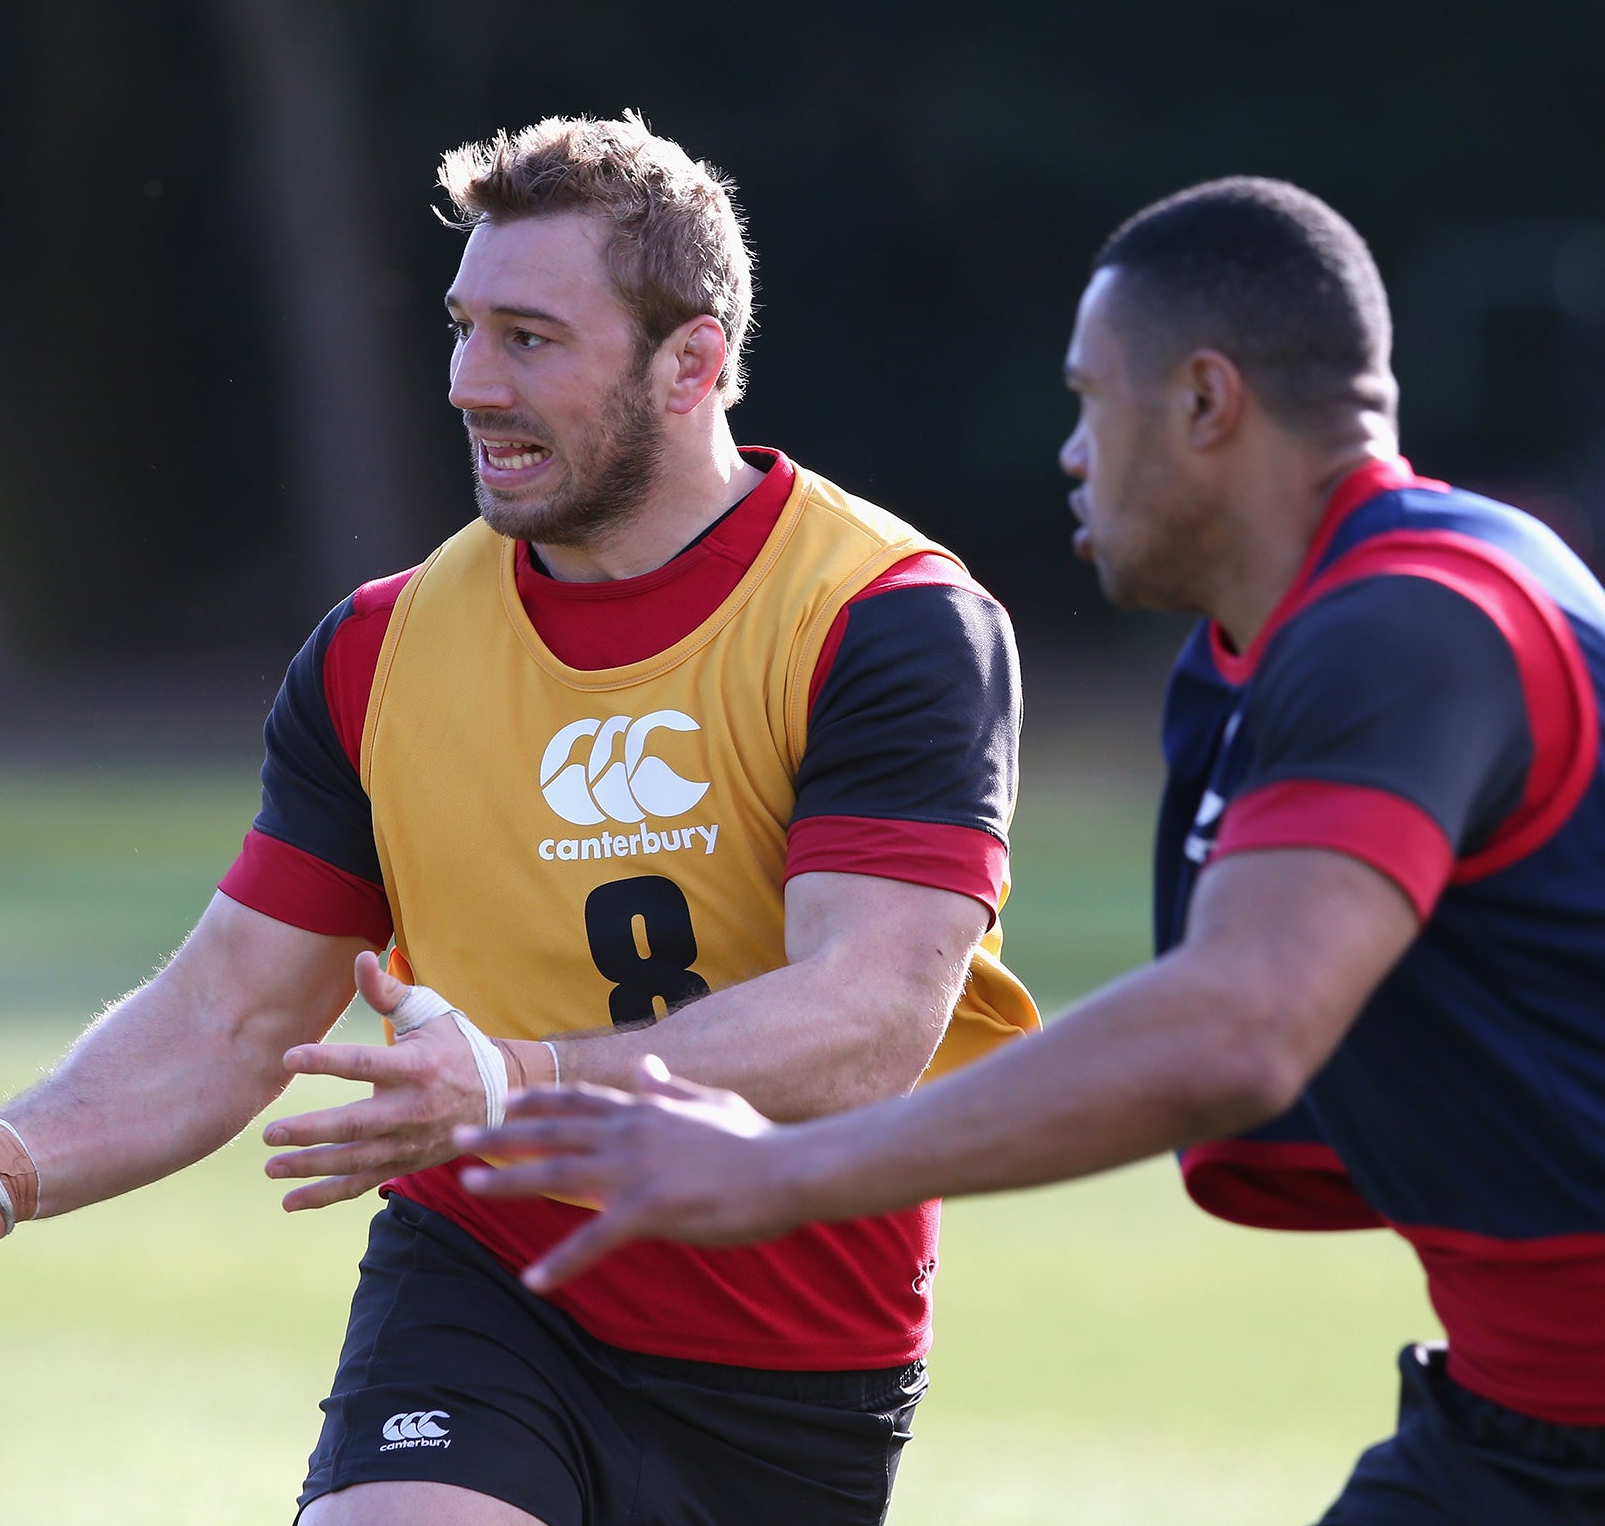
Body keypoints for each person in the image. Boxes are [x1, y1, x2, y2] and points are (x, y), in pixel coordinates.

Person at [0, 112, 1039, 1526]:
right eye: (464, 328)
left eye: (530, 338)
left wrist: (520, 1081)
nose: (474, 381)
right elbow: (232, 1011)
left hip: (794, 1358)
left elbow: (865, 1024)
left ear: (694, 362)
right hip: (487, 1286)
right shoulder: (381, 649)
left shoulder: (886, 623)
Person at [462, 176, 1605, 1524]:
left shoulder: (1409, 624)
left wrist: (779, 1170)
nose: (1071, 451)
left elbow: (1237, 1027)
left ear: (1203, 403)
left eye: (1089, 401)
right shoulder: (1267, 658)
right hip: (1518, 1424)